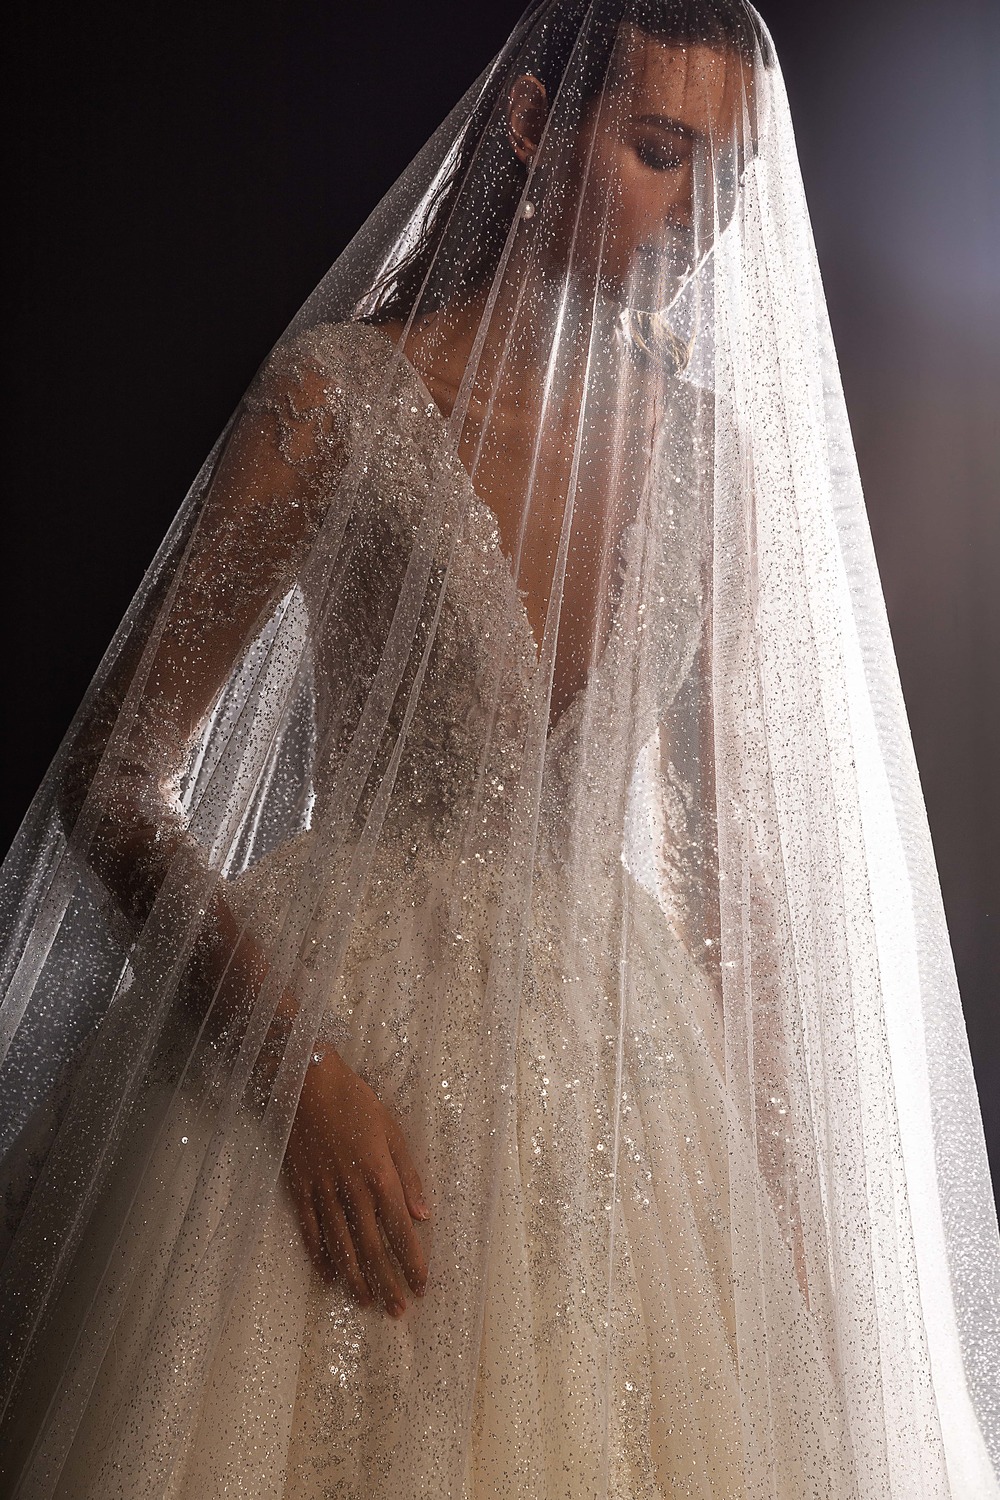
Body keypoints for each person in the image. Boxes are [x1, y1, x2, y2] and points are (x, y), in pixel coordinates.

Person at [1, 1, 998, 1496]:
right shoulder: (339, 402)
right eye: (659, 151)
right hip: (334, 1042)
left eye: (724, 177)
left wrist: (785, 1228)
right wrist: (296, 1075)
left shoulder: (708, 458)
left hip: (622, 1086)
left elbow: (725, 881)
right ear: (533, 125)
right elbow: (113, 778)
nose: (695, 219)